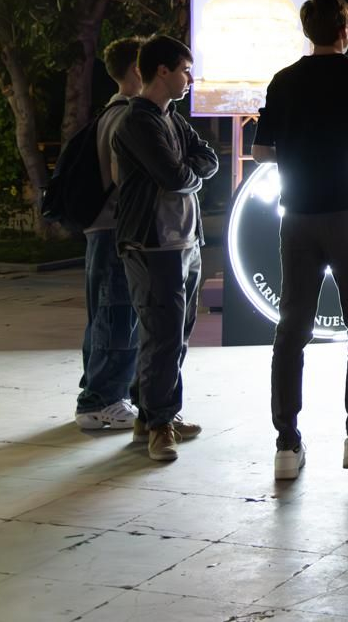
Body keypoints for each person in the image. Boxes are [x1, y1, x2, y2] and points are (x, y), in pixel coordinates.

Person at [253, 0, 348, 480]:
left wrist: (301, 149)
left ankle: (286, 445)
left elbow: (261, 152)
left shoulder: (283, 80)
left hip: (298, 212)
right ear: (345, 29)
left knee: (292, 326)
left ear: (307, 31)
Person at [113, 34, 218, 462]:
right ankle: (159, 425)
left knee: (175, 333)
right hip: (153, 243)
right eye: (185, 71)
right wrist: (190, 173)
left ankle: (152, 414)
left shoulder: (172, 118)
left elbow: (208, 159)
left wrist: (187, 171)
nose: (190, 79)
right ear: (162, 71)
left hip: (185, 242)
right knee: (163, 335)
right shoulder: (138, 121)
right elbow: (174, 177)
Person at [74, 36, 145, 431]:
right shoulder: (126, 116)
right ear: (137, 69)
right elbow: (125, 179)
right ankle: (100, 401)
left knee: (104, 313)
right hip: (115, 226)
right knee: (115, 314)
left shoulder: (109, 112)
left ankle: (98, 393)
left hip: (101, 227)